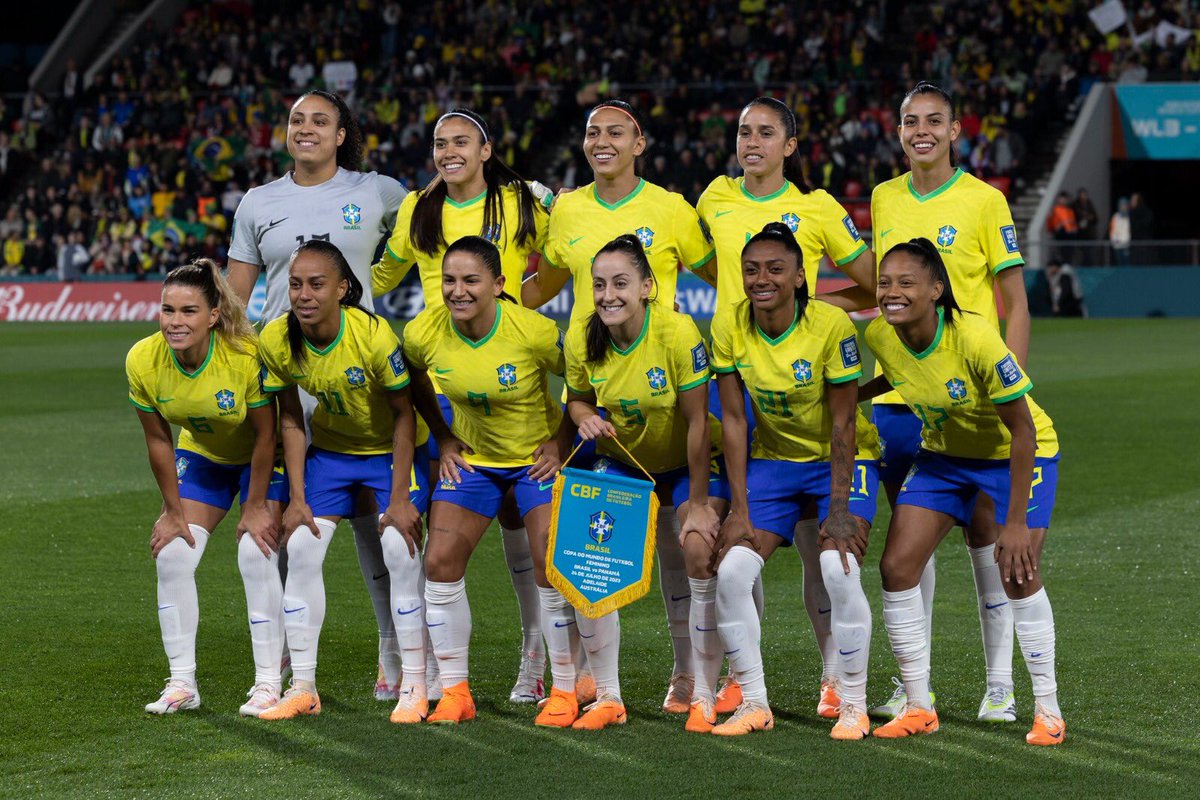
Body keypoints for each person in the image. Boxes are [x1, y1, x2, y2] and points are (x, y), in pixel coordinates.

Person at [522, 99, 716, 711]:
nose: (601, 141)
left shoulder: (671, 210)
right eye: (591, 133)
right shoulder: (569, 209)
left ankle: (695, 676)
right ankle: (581, 681)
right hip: (597, 395)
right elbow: (545, 285)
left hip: (661, 389)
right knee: (586, 552)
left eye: (615, 132)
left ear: (640, 142)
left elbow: (724, 278)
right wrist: (483, 296)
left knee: (682, 551)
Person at [225, 89, 417, 702]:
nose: (306, 129)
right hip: (287, 382)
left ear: (341, 135)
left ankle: (392, 652)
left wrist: (544, 198)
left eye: (320, 121)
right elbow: (234, 300)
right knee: (290, 524)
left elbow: (448, 211)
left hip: (362, 377)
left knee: (375, 524)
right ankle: (280, 664)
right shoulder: (259, 203)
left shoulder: (378, 192)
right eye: (296, 120)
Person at [696, 95, 877, 717]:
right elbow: (700, 267)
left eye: (766, 132)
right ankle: (745, 680)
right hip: (739, 374)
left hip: (807, 375)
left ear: (789, 146)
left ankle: (837, 677)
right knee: (738, 544)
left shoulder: (817, 207)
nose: (752, 141)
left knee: (820, 552)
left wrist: (820, 317)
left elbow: (874, 281)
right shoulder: (713, 199)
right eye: (744, 130)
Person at [371, 108, 553, 702]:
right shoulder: (420, 208)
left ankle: (535, 654)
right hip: (442, 390)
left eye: (460, 142)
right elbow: (380, 273)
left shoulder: (520, 203)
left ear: (485, 148)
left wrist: (522, 303)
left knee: (519, 526)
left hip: (507, 375)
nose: (448, 152)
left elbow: (564, 256)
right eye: (438, 143)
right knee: (432, 541)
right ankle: (411, 668)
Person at [868, 81, 1032, 724]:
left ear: (956, 129)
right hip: (901, 397)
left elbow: (1013, 299)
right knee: (912, 538)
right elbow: (890, 291)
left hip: (972, 398)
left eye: (934, 121)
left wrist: (1010, 378)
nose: (921, 131)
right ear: (899, 131)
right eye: (910, 121)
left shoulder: (984, 201)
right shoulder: (884, 198)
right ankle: (917, 686)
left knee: (987, 538)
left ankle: (1000, 684)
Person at [863, 238, 1065, 746]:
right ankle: (917, 706)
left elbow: (1022, 431)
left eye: (906, 283)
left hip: (1017, 455)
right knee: (896, 567)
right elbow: (902, 371)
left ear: (936, 289)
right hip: (944, 456)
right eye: (885, 282)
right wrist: (842, 392)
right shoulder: (880, 335)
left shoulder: (976, 337)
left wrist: (1014, 522)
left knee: (1017, 574)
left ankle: (1048, 711)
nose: (892, 292)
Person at [401, 236, 572, 724]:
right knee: (438, 560)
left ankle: (561, 689)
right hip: (474, 460)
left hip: (534, 460)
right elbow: (412, 377)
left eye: (471, 280)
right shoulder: (423, 332)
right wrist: (442, 433)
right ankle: (455, 693)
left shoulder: (534, 331)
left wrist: (560, 442)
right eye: (449, 280)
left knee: (548, 565)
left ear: (498, 285)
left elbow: (585, 377)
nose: (457, 291)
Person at [254, 240, 428, 721]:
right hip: (331, 455)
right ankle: (304, 687)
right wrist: (297, 498)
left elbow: (404, 416)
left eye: (316, 284)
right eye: (295, 284)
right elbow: (289, 418)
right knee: (301, 546)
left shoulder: (372, 336)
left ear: (343, 288)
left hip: (389, 452)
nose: (304, 295)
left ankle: (414, 684)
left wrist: (396, 499)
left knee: (397, 545)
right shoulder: (276, 339)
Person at [561, 235, 728, 731]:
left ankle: (698, 684)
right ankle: (608, 697)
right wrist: (585, 416)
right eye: (599, 285)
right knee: (588, 559)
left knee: (696, 550)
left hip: (684, 464)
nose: (608, 295)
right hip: (624, 463)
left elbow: (699, 422)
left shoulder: (677, 332)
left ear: (647, 287)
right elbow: (576, 400)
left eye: (620, 283)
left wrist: (697, 502)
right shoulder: (580, 337)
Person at [126, 260, 288, 716]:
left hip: (262, 458)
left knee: (255, 552)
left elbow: (265, 434)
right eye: (168, 310)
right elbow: (158, 439)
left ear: (213, 315)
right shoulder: (143, 358)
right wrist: (171, 510)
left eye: (189, 311)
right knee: (174, 552)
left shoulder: (242, 356)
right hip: (204, 457)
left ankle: (268, 683)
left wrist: (254, 505)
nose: (176, 322)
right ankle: (182, 684)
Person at [1109, 197, 1131, 266]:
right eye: (1122, 205)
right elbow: (1112, 231)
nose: (1123, 207)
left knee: (1127, 264)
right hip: (1117, 245)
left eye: (1125, 205)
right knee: (1119, 263)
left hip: (1127, 245)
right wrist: (1114, 241)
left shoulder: (1130, 216)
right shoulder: (1115, 217)